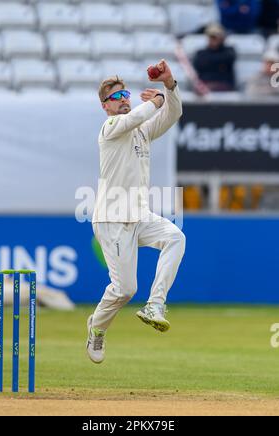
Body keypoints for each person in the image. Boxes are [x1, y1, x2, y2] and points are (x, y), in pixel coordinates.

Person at [86, 60, 186, 364]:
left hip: (139, 215)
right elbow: (144, 113)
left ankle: (156, 305)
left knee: (175, 237)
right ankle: (97, 328)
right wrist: (156, 99)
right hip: (112, 219)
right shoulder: (110, 128)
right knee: (125, 289)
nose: (123, 100)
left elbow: (174, 113)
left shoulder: (141, 131)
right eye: (116, 97)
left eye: (125, 94)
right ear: (105, 106)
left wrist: (169, 86)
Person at [193, 24, 237, 92]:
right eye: (211, 36)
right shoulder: (201, 53)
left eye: (216, 36)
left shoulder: (229, 51)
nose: (213, 39)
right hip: (205, 86)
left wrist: (208, 62)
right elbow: (198, 65)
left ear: (222, 38)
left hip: (224, 86)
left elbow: (228, 59)